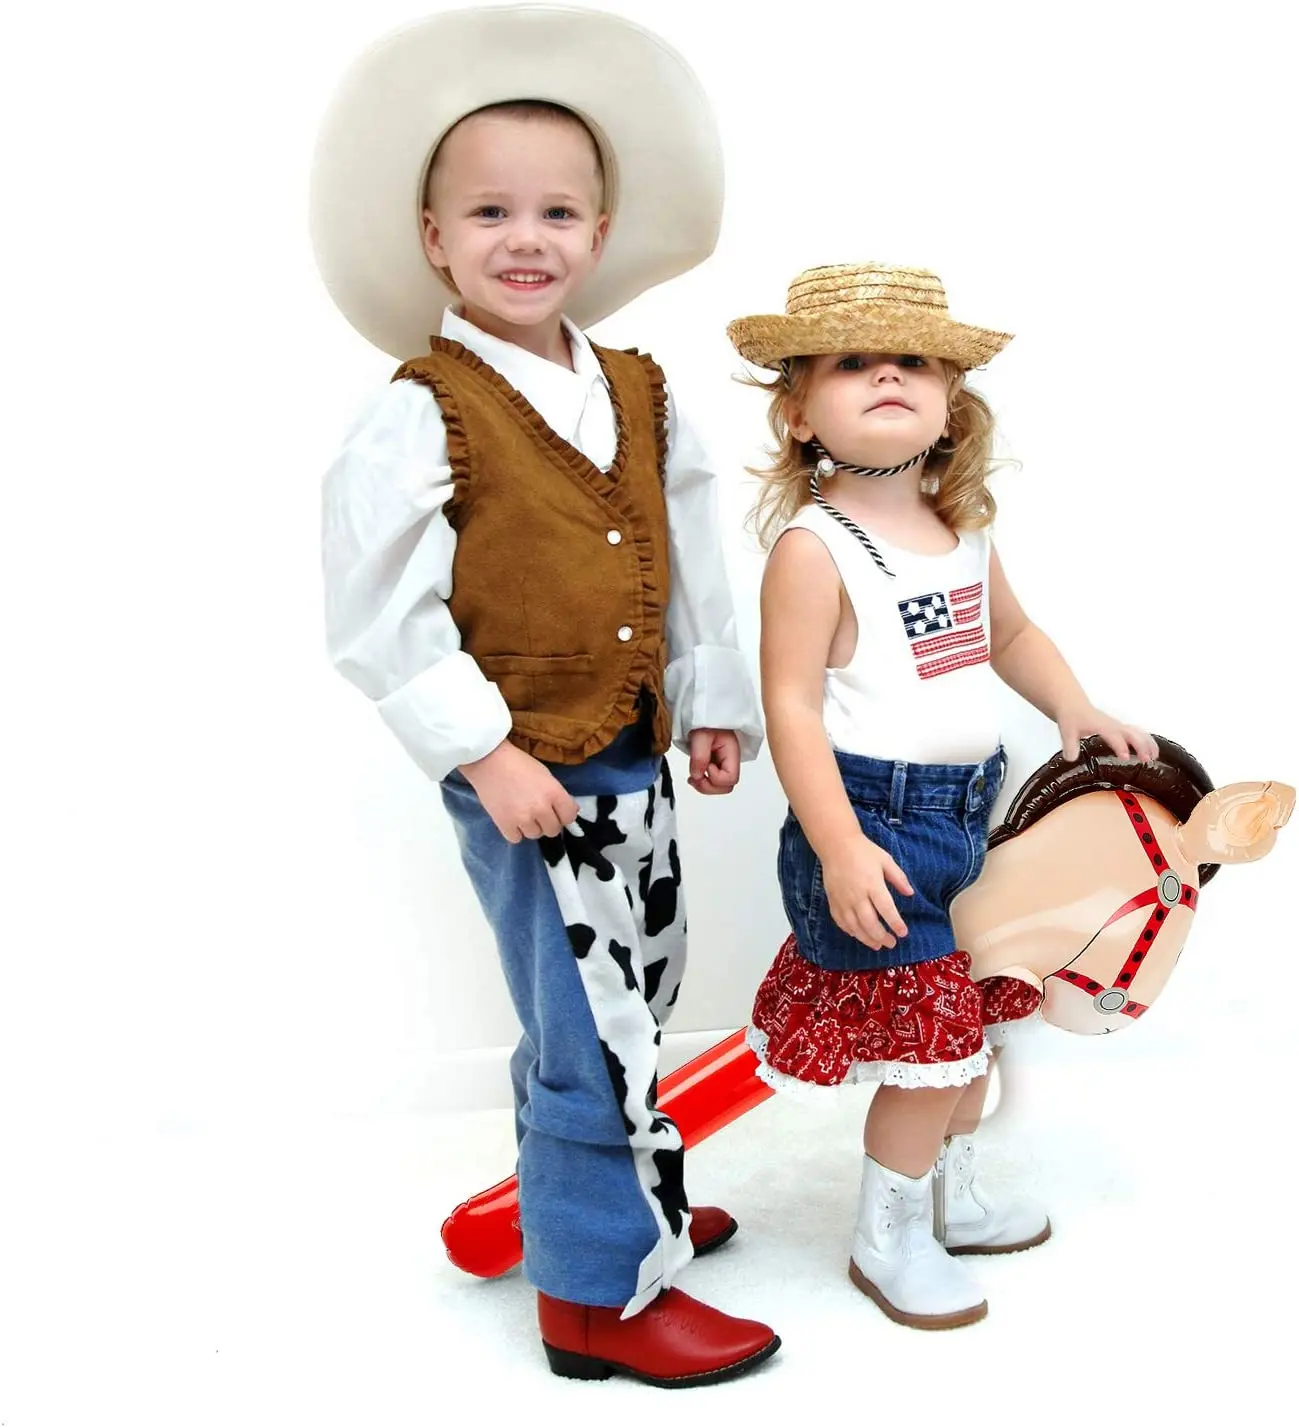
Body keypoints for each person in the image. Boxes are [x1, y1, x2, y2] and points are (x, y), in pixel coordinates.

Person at [310, 5, 778, 1388]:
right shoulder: (424, 407)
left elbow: (689, 558)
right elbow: (380, 614)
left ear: (599, 229)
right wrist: (485, 754)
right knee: (587, 1025)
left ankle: (619, 1205)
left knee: (635, 993)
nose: (527, 239)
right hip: (529, 774)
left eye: (557, 212)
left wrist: (707, 699)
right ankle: (595, 1297)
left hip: (631, 753)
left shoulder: (638, 392)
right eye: (490, 212)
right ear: (433, 237)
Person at [726, 262, 1159, 1330]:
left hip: (972, 815)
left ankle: (949, 1200)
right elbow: (791, 707)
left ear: (950, 402)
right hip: (872, 825)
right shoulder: (814, 549)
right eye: (853, 362)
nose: (888, 376)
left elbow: (1010, 633)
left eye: (913, 362)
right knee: (926, 1054)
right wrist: (838, 845)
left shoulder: (962, 531)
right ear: (798, 414)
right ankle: (887, 1238)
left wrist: (1072, 707)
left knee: (974, 1029)